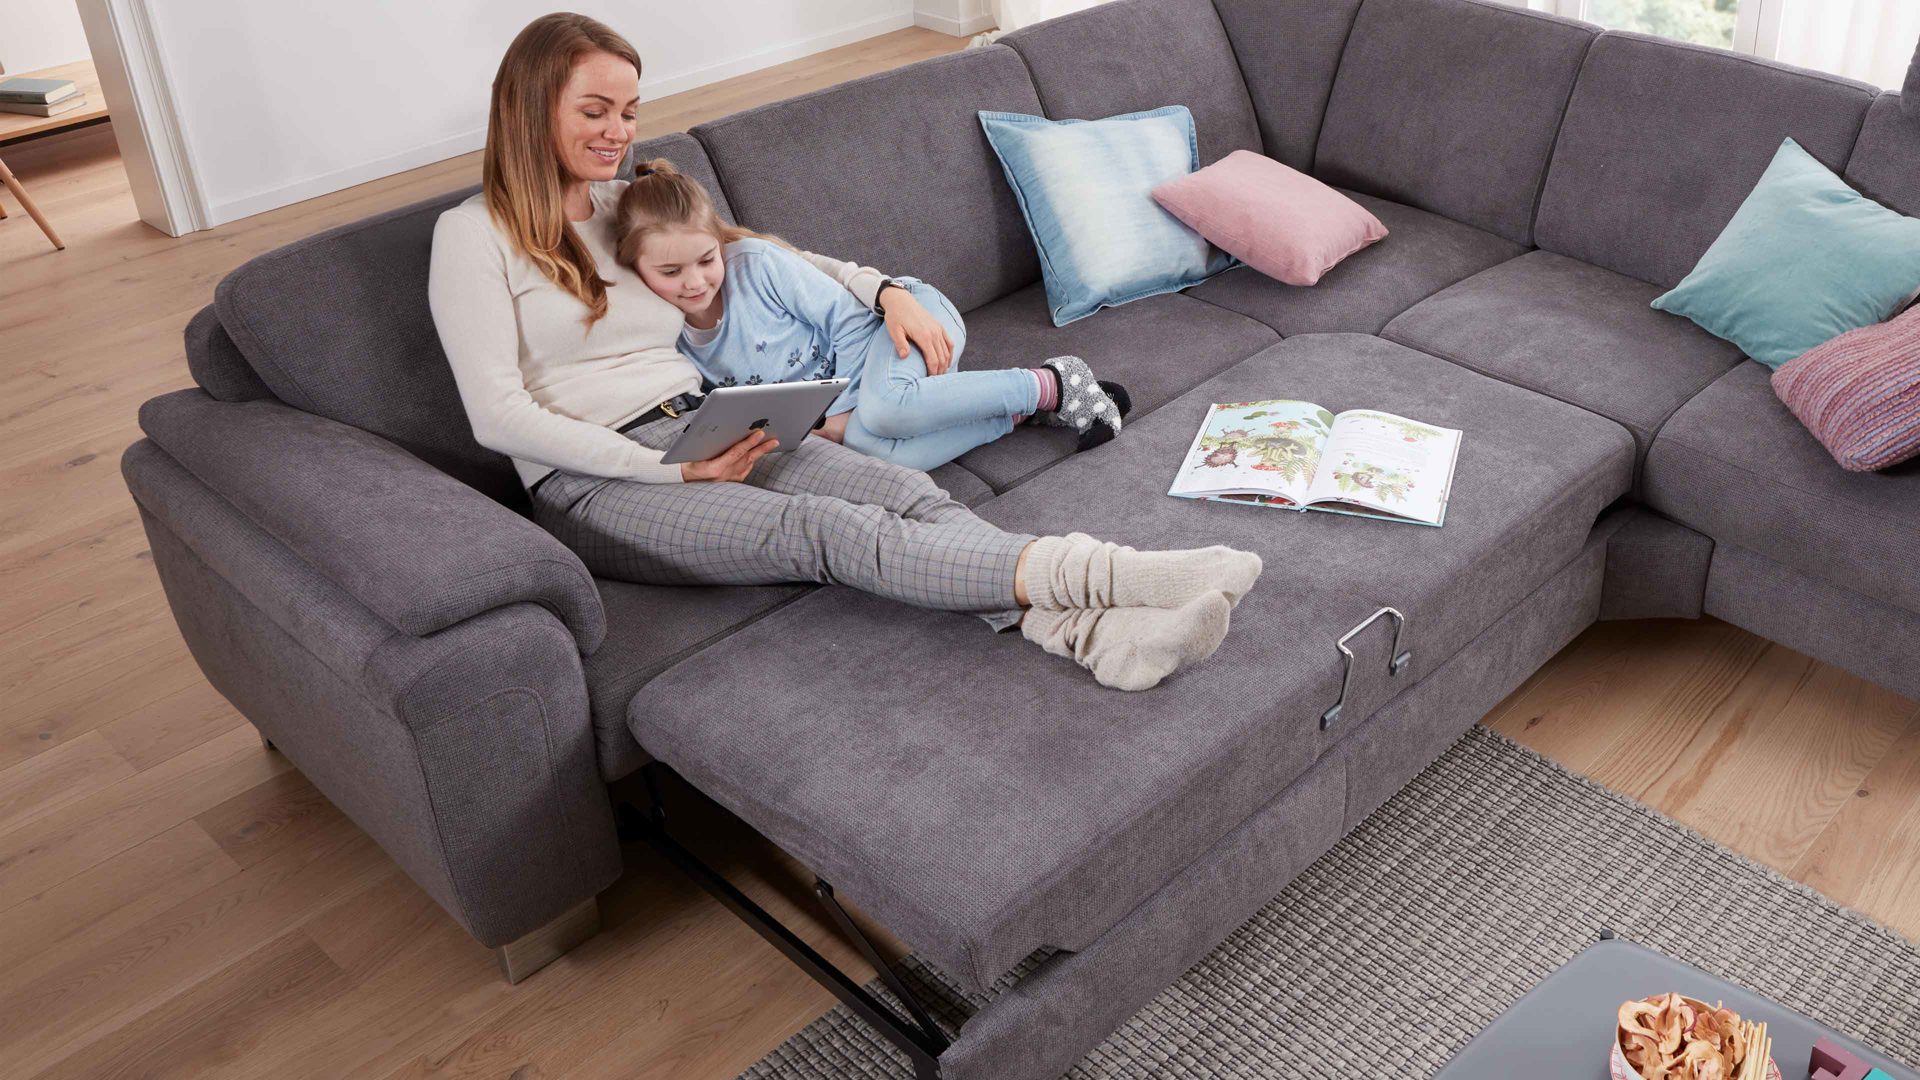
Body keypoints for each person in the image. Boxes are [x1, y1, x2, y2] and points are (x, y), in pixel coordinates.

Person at [426, 12, 1262, 690]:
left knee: (904, 492)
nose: (618, 131)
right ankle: (1120, 576)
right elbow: (497, 416)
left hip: (707, 425)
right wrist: (668, 471)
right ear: (530, 106)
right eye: (595, 111)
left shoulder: (630, 205)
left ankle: (1098, 641)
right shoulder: (471, 236)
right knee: (823, 530)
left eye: (629, 110)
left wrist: (884, 290)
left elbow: (762, 254)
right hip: (594, 483)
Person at [614, 160, 1128, 471]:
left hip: (906, 324)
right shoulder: (669, 340)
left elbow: (850, 323)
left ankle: (1053, 382)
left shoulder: (754, 265)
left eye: (706, 260)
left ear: (718, 241)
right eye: (671, 272)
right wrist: (825, 423)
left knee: (881, 415)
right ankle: (1013, 412)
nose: (695, 281)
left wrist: (838, 412)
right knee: (873, 450)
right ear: (635, 268)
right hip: (876, 390)